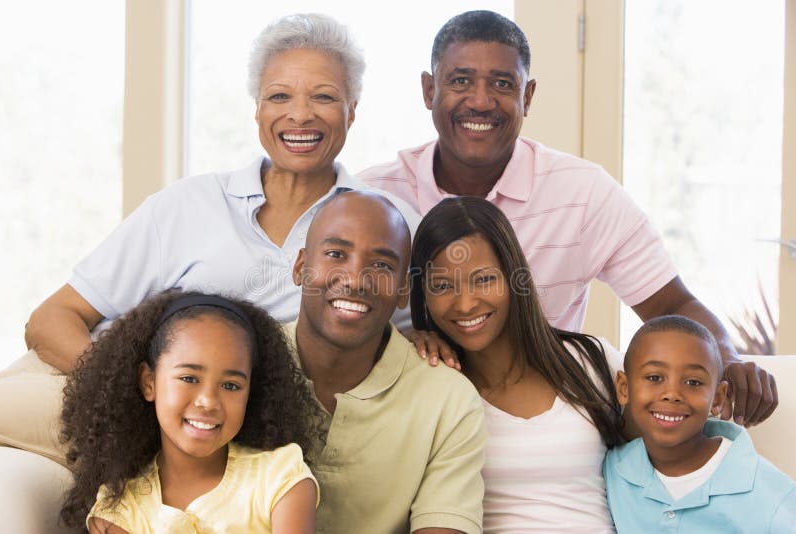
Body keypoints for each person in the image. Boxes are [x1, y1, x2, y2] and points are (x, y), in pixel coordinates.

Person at [0, 13, 421, 465]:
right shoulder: (189, 204)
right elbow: (50, 319)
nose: (300, 114)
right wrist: (141, 395)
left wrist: (432, 342)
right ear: (257, 110)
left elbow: (425, 336)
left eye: (324, 97)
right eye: (279, 96)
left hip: (214, 434)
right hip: (94, 390)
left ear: (352, 110)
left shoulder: (388, 225)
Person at [358, 9, 776, 426]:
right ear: (429, 90)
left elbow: (675, 303)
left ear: (528, 96)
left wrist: (731, 358)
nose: (481, 101)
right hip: (416, 420)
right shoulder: (373, 196)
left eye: (502, 84)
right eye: (460, 80)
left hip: (540, 425)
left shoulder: (582, 193)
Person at [410, 196, 623, 532]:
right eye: (442, 286)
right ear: (422, 292)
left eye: (483, 280)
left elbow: (674, 449)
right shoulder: (430, 386)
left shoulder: (592, 360)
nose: (465, 304)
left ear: (513, 276)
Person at [288, 190, 486, 533]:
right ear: (301, 267)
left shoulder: (448, 399)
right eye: (336, 254)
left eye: (381, 265)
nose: (354, 280)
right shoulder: (243, 367)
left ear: (403, 290)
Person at [60, 291, 320, 533]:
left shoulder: (280, 477)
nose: (208, 401)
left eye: (231, 386)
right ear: (149, 382)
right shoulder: (120, 507)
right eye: (189, 378)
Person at [604, 315, 796, 532]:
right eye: (655, 377)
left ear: (717, 398)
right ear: (624, 388)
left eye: (693, 382)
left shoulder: (774, 497)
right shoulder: (610, 472)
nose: (672, 394)